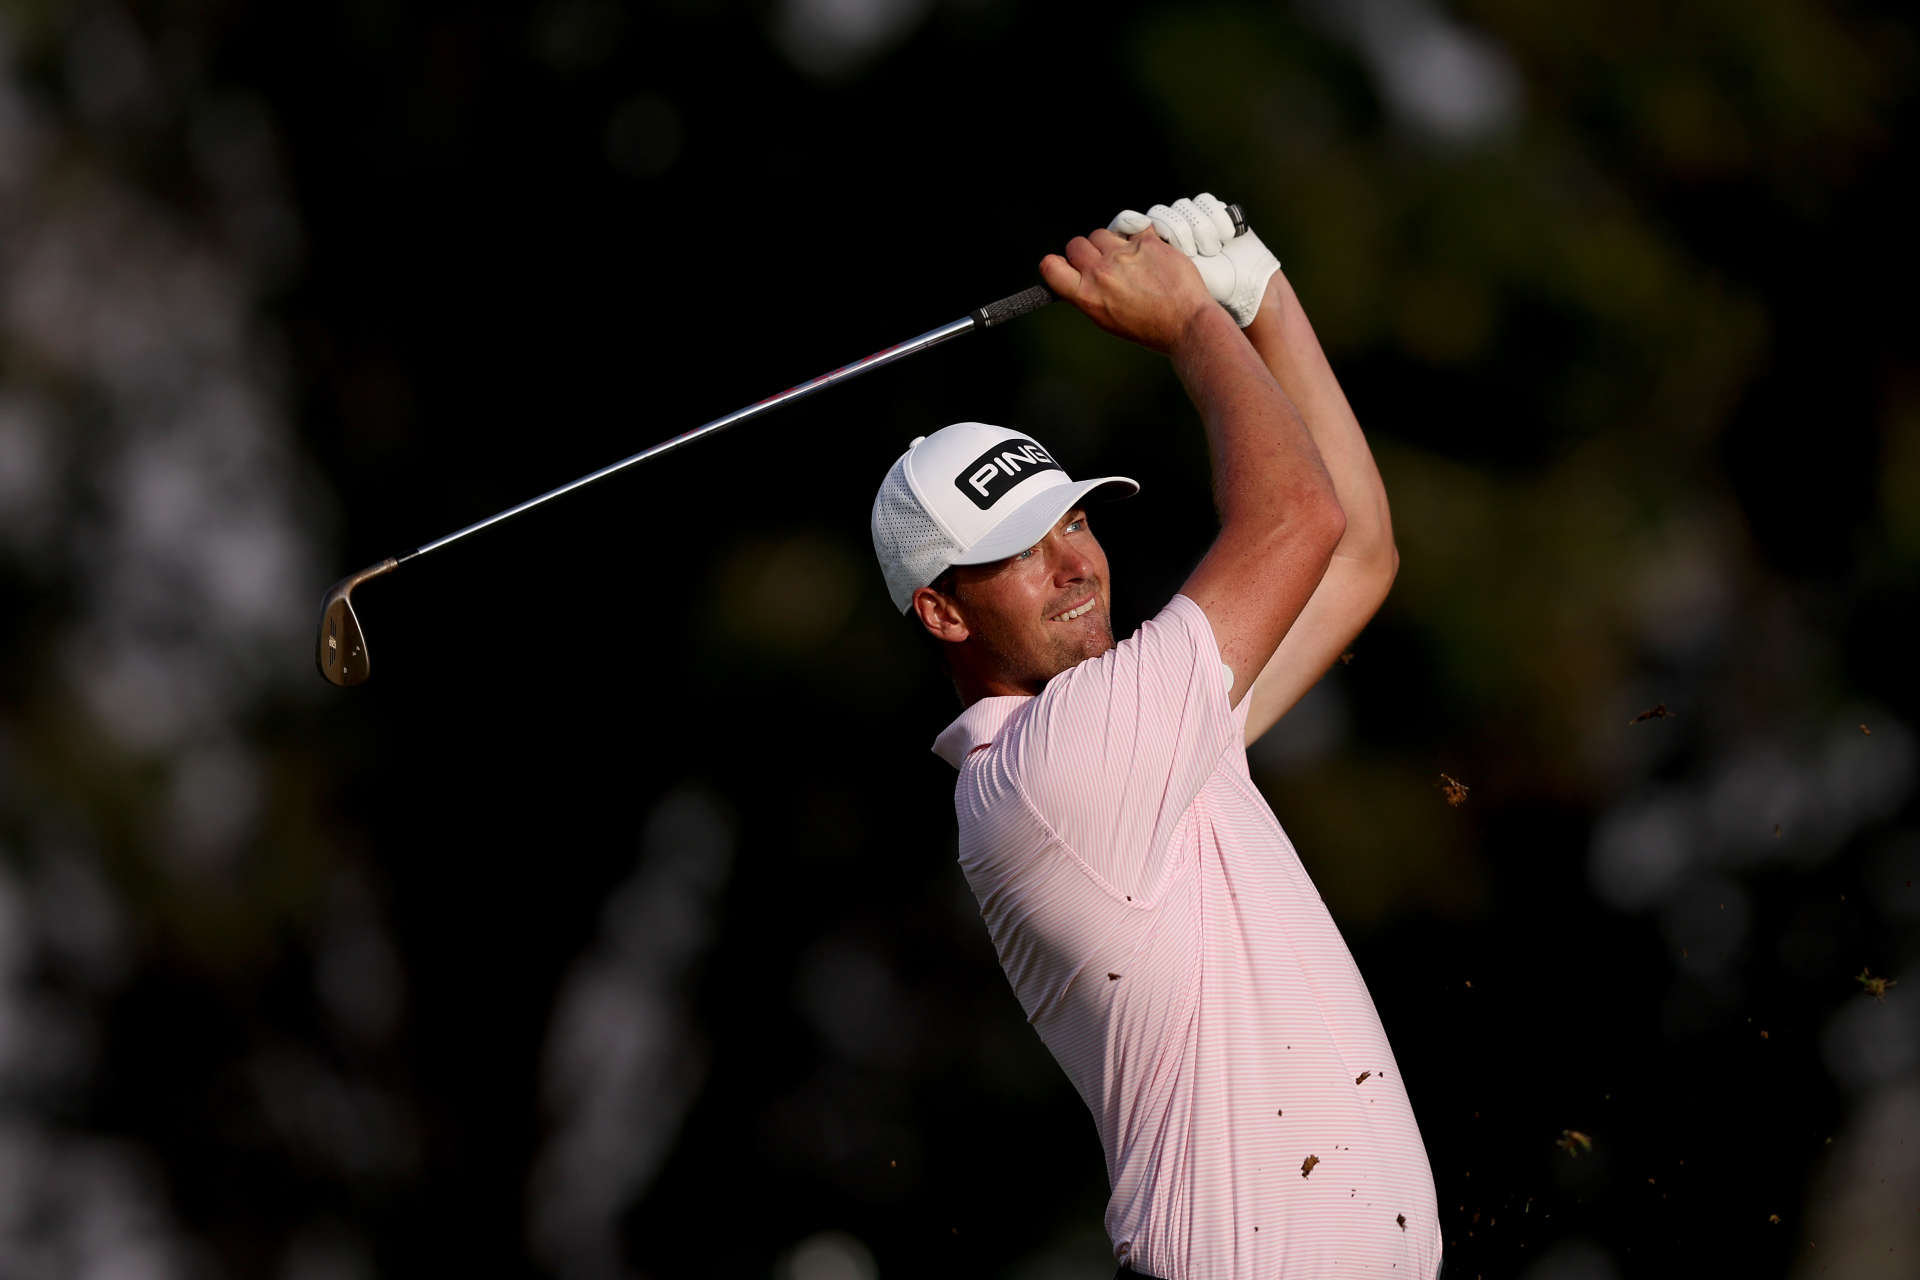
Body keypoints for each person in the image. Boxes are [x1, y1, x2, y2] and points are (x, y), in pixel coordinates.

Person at [869, 194, 1441, 1280]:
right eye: (1020, 549)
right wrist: (1192, 324)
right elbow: (1299, 518)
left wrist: (1263, 297)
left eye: (1075, 519)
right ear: (942, 610)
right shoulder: (1054, 771)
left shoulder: (1156, 735)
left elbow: (1359, 554)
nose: (1077, 563)